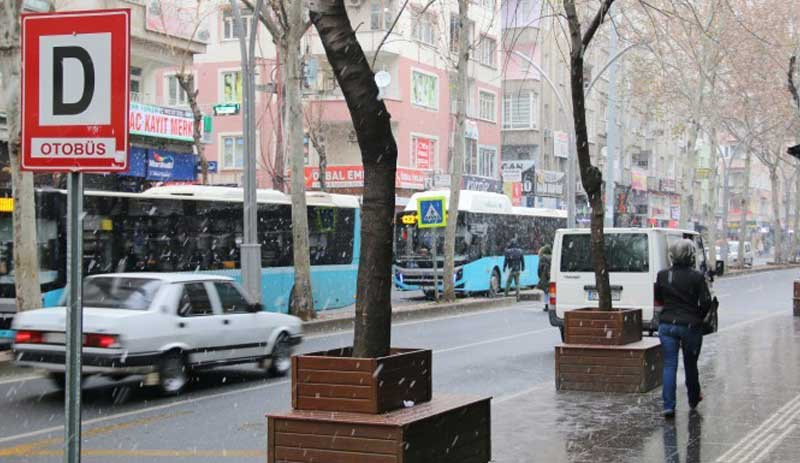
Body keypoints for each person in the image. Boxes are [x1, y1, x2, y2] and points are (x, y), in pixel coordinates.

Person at [656, 239, 712, 419]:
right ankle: (693, 398)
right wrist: (697, 316)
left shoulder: (663, 275)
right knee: (690, 364)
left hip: (667, 325)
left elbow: (659, 299)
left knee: (669, 365)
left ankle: (668, 406)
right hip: (690, 326)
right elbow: (705, 302)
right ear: (690, 256)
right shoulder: (696, 277)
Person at [537, 245, 552, 310]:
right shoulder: (553, 256)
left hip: (544, 276)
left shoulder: (542, 258)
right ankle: (552, 305)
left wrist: (540, 276)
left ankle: (546, 305)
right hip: (552, 275)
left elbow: (539, 269)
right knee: (552, 291)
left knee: (546, 291)